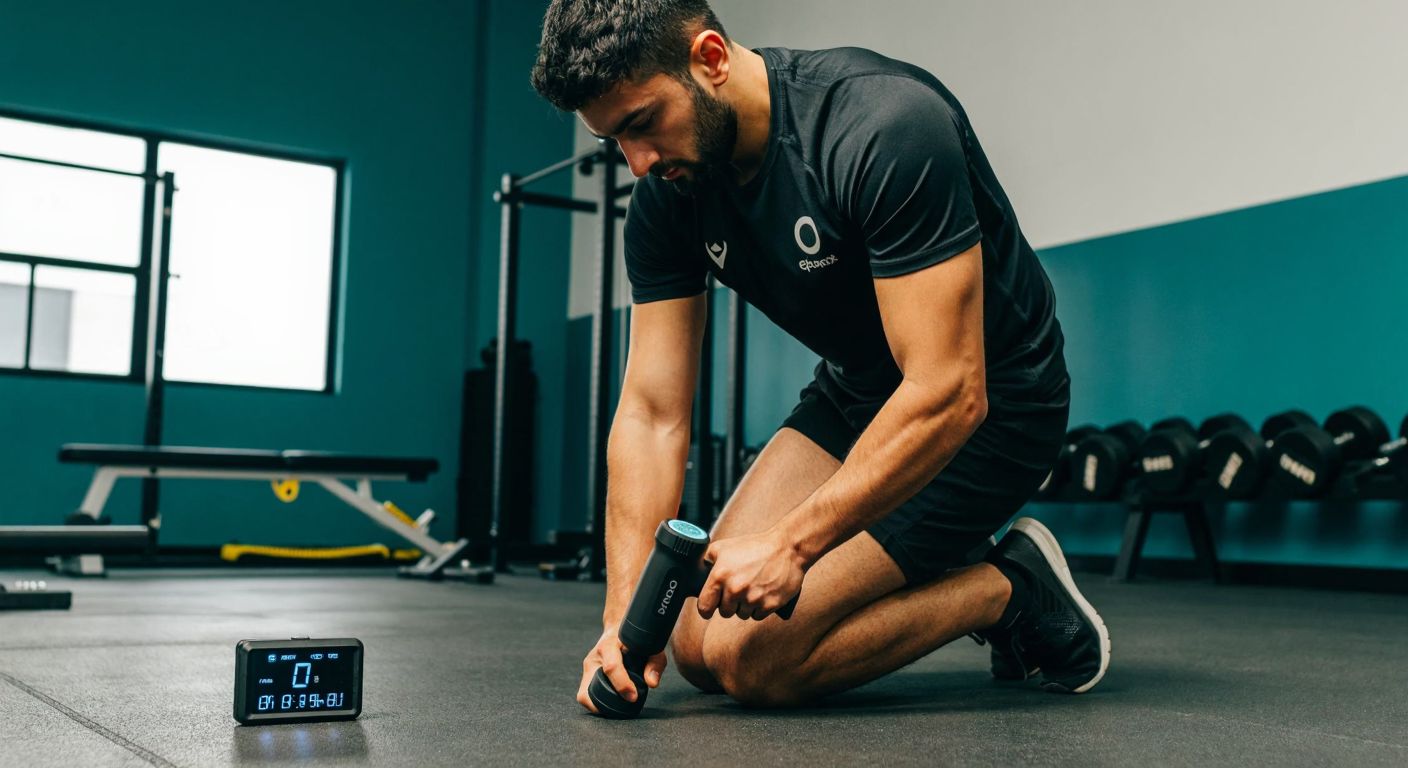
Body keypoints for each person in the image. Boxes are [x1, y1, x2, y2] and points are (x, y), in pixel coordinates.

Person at [530, 0, 1109, 712]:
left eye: (643, 123)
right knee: (694, 645)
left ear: (710, 58)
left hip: (995, 408)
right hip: (858, 394)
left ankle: (1006, 590)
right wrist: (622, 616)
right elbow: (651, 414)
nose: (638, 162)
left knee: (757, 664)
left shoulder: (883, 125)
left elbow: (950, 390)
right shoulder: (666, 199)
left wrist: (794, 545)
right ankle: (916, 563)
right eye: (613, 140)